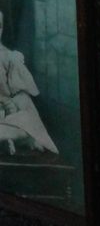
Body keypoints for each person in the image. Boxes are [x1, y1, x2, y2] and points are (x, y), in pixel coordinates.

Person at [0, 11, 58, 157]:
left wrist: (10, 106)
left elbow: (21, 98)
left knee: (27, 125)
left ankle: (12, 137)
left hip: (7, 115)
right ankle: (7, 138)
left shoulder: (9, 57)